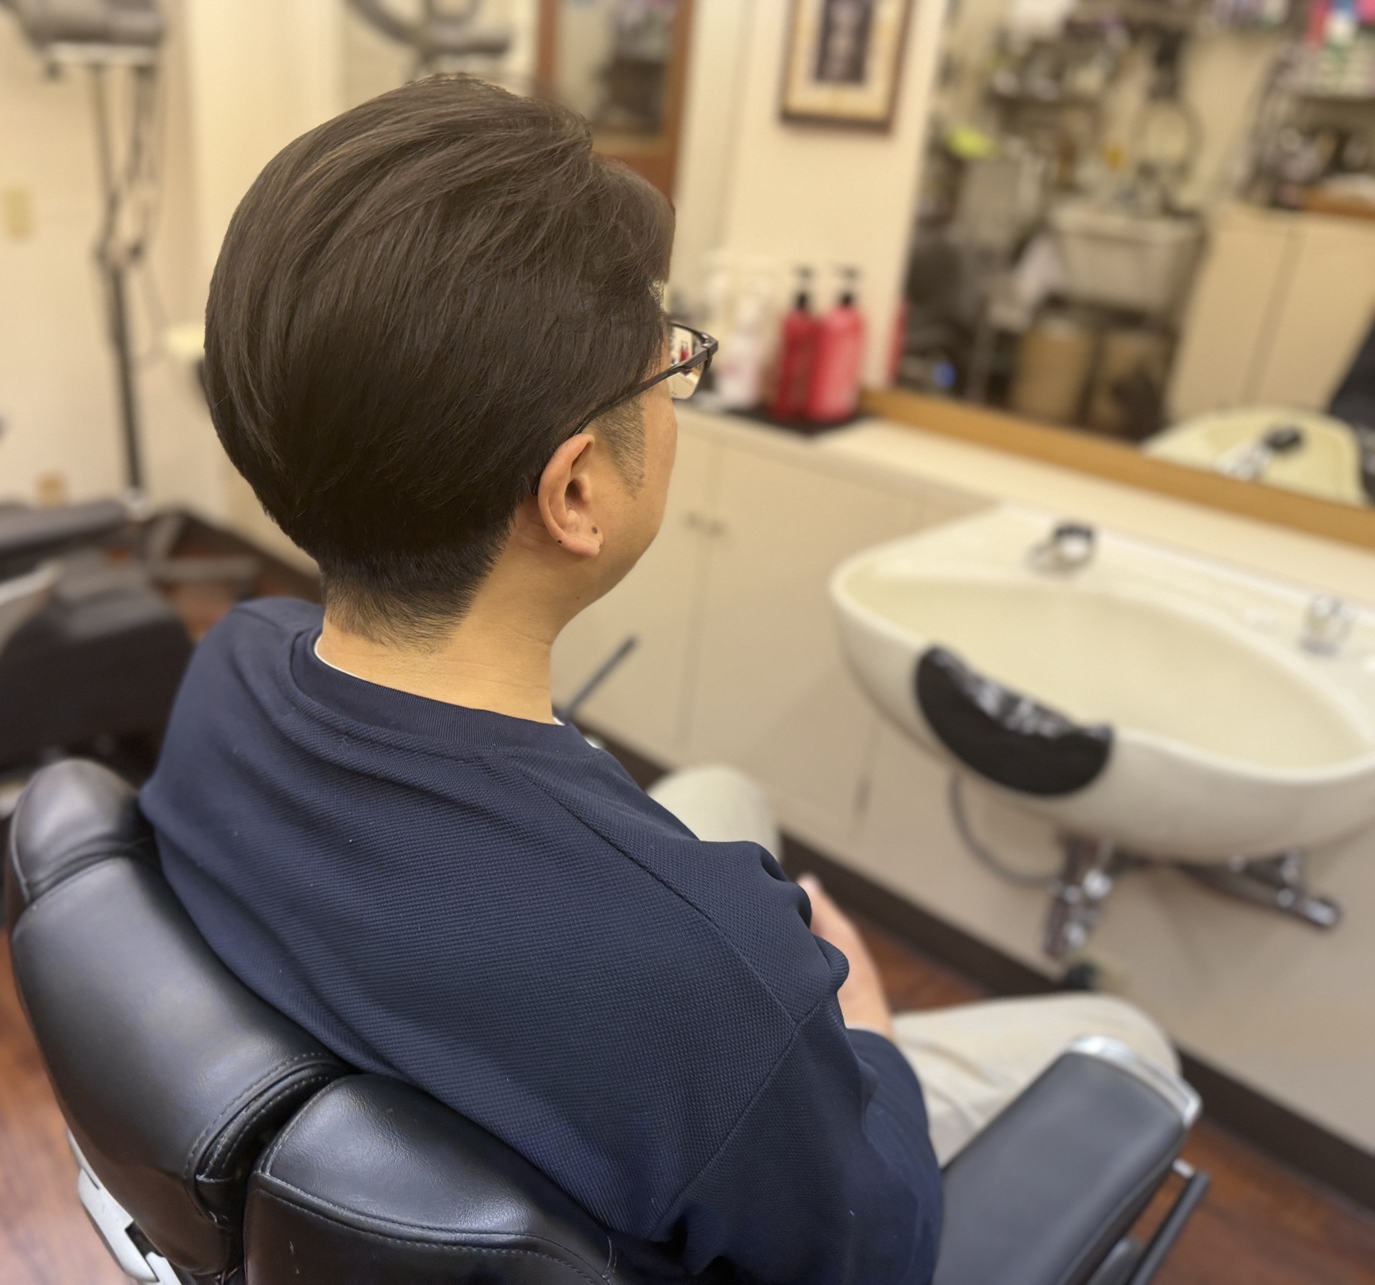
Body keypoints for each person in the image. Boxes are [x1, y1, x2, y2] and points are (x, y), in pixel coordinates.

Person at [141, 74, 1175, 1283]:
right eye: (669, 364)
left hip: (431, 1030)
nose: (678, 388)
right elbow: (876, 1252)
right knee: (1124, 1036)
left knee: (726, 794)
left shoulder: (232, 664)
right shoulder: (716, 988)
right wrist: (870, 1034)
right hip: (674, 1120)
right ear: (577, 491)